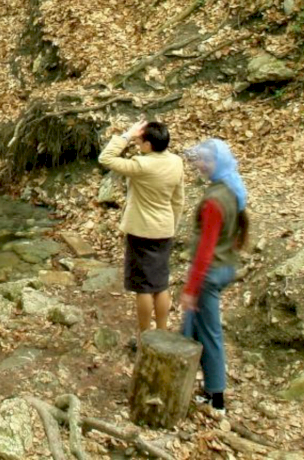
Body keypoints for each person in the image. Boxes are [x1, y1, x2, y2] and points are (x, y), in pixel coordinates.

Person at [180, 138, 250, 413]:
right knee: (190, 328)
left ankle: (216, 397)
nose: (199, 164)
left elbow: (205, 250)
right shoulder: (231, 190)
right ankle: (187, 381)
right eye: (199, 159)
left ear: (217, 163)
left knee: (210, 334)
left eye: (205, 161)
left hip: (209, 274)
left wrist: (191, 289)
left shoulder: (214, 200)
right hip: (224, 267)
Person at [98, 118, 184, 336]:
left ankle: (145, 334)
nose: (137, 144)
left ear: (148, 145)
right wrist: (172, 224)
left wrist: (127, 135)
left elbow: (105, 157)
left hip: (141, 232)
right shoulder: (176, 162)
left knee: (144, 288)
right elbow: (178, 200)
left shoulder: (141, 165)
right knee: (161, 284)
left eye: (139, 141)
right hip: (164, 230)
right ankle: (162, 332)